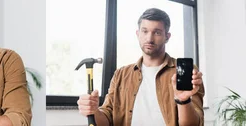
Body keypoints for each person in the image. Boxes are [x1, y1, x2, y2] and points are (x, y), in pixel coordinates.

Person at [76, 8, 205, 126]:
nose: (149, 38)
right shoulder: (121, 74)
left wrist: (183, 101)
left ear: (167, 36)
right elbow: (106, 120)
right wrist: (93, 111)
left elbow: (194, 124)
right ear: (138, 33)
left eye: (157, 32)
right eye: (145, 31)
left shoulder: (184, 72)